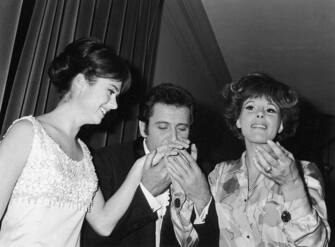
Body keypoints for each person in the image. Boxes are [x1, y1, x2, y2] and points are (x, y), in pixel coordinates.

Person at [0, 38, 158, 247]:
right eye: (110, 91)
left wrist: (140, 167)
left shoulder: (84, 154)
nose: (114, 105)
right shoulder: (27, 133)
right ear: (81, 82)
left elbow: (104, 222)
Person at [81, 83, 219, 247]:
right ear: (143, 128)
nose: (173, 138)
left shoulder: (204, 169)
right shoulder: (106, 162)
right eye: (163, 127)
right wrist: (146, 194)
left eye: (182, 128)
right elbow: (90, 240)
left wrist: (202, 199)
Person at [205, 72, 330, 246]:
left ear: (280, 124)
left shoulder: (306, 172)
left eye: (270, 109)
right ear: (238, 120)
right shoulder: (220, 174)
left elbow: (317, 244)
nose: (260, 114)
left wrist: (291, 185)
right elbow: (193, 237)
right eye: (250, 107)